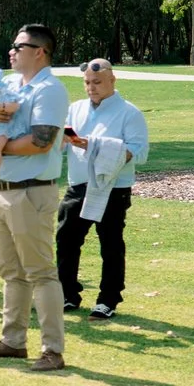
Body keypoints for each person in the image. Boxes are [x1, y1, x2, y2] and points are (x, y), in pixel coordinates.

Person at [0, 24, 73, 372]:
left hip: (31, 191)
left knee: (40, 273)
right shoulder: (11, 85)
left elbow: (41, 141)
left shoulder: (51, 90)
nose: (11, 51)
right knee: (10, 273)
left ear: (40, 51)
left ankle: (52, 351)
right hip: (0, 191)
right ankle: (13, 342)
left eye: (18, 46)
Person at [58, 57, 151, 319]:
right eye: (87, 82)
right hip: (78, 184)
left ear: (112, 79)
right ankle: (67, 294)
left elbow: (140, 152)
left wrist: (97, 146)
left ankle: (108, 299)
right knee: (66, 239)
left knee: (110, 243)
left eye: (97, 82)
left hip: (113, 187)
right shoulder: (75, 109)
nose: (91, 87)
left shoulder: (129, 112)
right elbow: (63, 142)